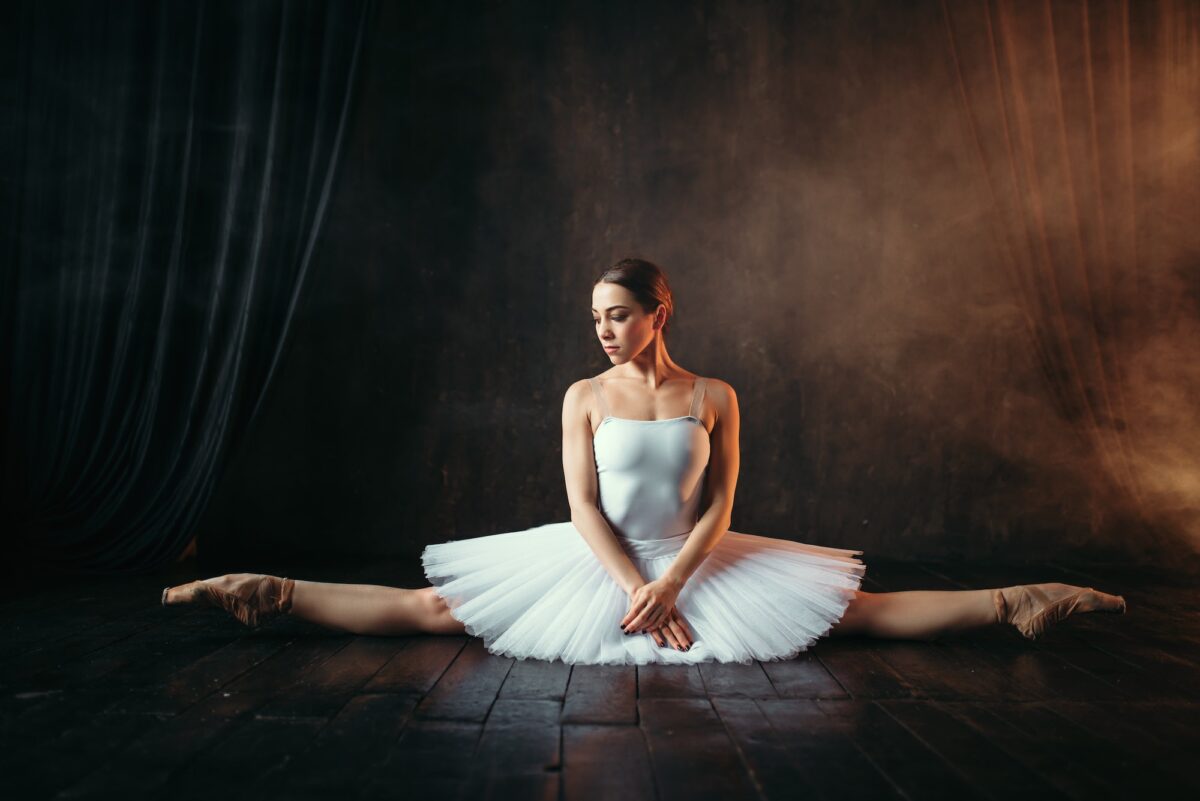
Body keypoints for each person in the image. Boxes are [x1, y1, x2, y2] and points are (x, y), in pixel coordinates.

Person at [162, 258, 1127, 664]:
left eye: (617, 314)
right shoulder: (584, 396)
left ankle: (1019, 600)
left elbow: (719, 506)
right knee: (435, 612)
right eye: (593, 318)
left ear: (660, 312)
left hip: (693, 557)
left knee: (855, 615)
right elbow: (583, 508)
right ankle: (268, 590)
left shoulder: (716, 395)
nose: (604, 330)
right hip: (604, 560)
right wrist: (638, 589)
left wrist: (677, 581)